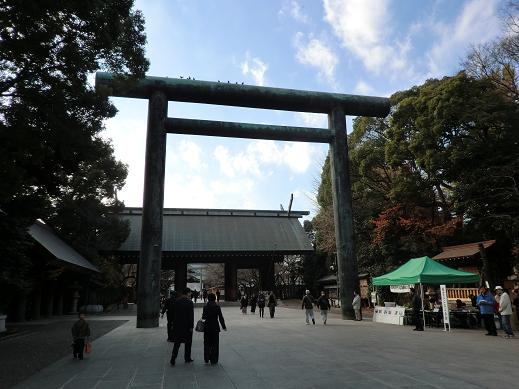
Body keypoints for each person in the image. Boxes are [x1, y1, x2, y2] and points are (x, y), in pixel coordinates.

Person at [170, 288, 194, 365]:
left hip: (178, 325)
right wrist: (191, 326)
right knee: (188, 342)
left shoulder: (177, 301)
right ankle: (187, 358)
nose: (190, 294)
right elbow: (191, 316)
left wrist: (173, 323)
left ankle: (173, 358)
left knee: (177, 343)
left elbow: (173, 314)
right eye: (190, 293)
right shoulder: (189, 302)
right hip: (187, 325)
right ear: (187, 293)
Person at [202, 293, 227, 364]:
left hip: (207, 327)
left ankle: (206, 358)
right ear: (214, 298)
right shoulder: (217, 307)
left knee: (207, 343)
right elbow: (220, 318)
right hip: (215, 327)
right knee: (215, 344)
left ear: (208, 298)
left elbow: (204, 317)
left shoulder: (205, 307)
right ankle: (214, 359)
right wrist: (223, 326)